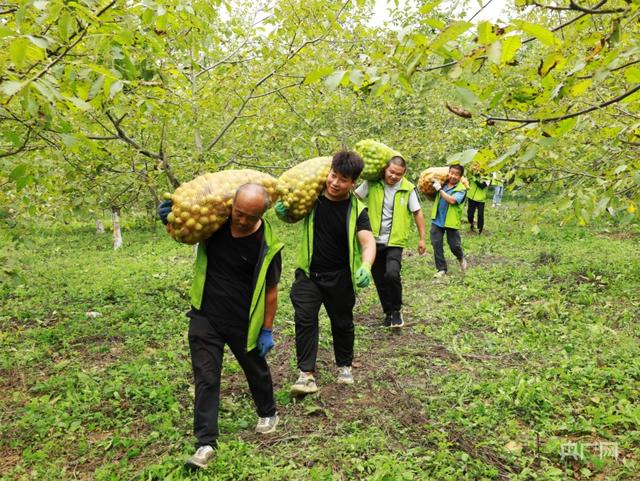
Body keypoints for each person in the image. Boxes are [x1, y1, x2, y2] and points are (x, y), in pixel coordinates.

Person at [157, 183, 284, 470]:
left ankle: (268, 412)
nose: (241, 220)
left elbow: (271, 291)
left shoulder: (267, 245)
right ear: (232, 206)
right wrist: (170, 217)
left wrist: (267, 329)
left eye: (249, 217)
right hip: (205, 315)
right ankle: (205, 443)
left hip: (243, 319)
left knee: (255, 367)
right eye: (238, 213)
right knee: (207, 376)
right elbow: (185, 232)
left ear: (261, 215)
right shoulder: (213, 225)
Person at [275, 151, 376, 395]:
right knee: (305, 319)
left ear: (353, 183)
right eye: (333, 175)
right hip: (309, 275)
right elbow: (292, 213)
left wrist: (366, 265)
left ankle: (344, 365)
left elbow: (367, 242)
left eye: (343, 179)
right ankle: (306, 374)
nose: (335, 183)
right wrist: (283, 211)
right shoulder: (313, 198)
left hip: (340, 277)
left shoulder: (357, 210)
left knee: (342, 322)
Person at [354, 156, 426, 328]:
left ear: (404, 173)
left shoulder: (408, 189)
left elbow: (417, 212)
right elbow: (354, 197)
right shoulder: (372, 183)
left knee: (392, 274)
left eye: (398, 174)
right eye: (391, 172)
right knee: (379, 279)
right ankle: (388, 312)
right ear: (385, 169)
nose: (393, 176)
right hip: (373, 240)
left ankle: (397, 309)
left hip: (395, 241)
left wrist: (422, 239)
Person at [430, 164, 468, 278]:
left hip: (451, 221)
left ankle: (461, 257)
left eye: (456, 174)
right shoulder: (443, 183)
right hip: (437, 219)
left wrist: (440, 190)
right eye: (451, 173)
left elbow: (452, 200)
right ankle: (441, 269)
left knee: (454, 245)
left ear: (460, 176)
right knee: (436, 243)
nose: (453, 176)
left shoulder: (461, 189)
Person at [466, 170, 491, 234]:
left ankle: (480, 230)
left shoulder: (488, 177)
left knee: (480, 215)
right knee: (470, 214)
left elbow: (482, 186)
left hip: (481, 200)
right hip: (471, 197)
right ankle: (471, 224)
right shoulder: (472, 174)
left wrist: (475, 180)